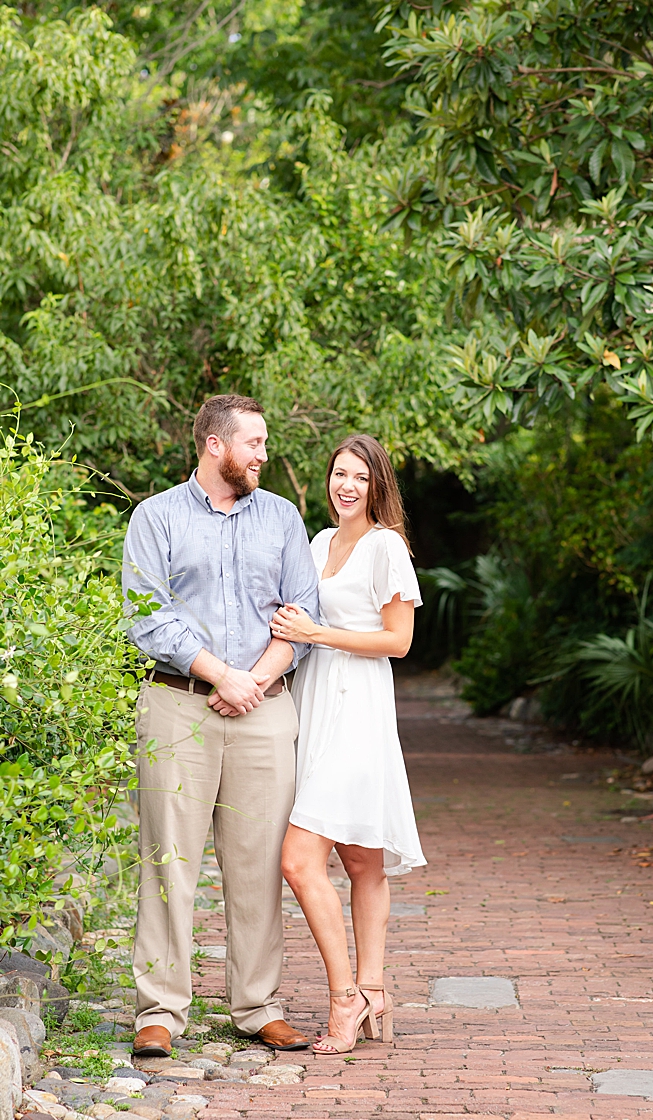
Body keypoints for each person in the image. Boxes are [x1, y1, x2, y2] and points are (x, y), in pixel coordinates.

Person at [123, 394, 320, 1057]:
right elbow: (148, 616)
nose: (264, 455)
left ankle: (259, 1005)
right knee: (168, 859)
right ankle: (159, 1010)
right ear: (216, 445)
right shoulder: (156, 517)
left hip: (265, 710)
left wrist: (253, 680)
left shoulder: (284, 518)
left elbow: (304, 613)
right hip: (177, 705)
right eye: (255, 443)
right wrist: (219, 674)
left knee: (258, 864)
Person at [270, 434, 425, 1054]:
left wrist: (319, 632)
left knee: (299, 861)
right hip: (316, 707)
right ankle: (375, 988)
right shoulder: (317, 543)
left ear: (377, 485)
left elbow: (398, 641)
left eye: (360, 477)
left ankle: (345, 999)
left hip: (358, 711)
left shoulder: (386, 546)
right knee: (361, 862)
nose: (347, 486)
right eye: (339, 474)